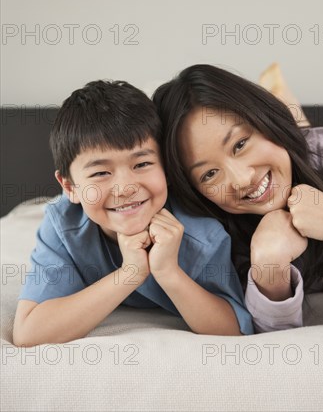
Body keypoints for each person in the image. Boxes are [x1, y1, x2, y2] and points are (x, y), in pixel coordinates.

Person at [13, 79, 253, 347]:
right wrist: (129, 274)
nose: (125, 188)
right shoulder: (63, 226)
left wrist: (168, 271)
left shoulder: (202, 234)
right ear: (70, 187)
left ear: (167, 169)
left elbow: (235, 330)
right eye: (101, 173)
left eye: (142, 163)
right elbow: (28, 333)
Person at [152, 64, 323, 332]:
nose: (242, 179)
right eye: (209, 174)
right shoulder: (211, 234)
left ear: (268, 120)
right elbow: (269, 341)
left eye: (240, 144)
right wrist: (268, 264)